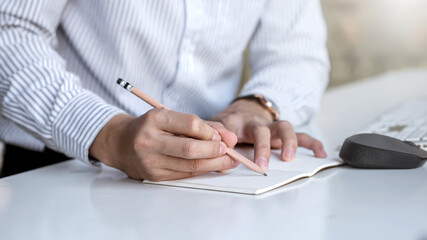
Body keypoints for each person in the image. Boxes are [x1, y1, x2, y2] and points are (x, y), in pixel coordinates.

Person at [0, 0, 329, 180]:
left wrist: (255, 106)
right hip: (66, 163)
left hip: (212, 166)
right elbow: (9, 30)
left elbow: (297, 50)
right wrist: (108, 134)